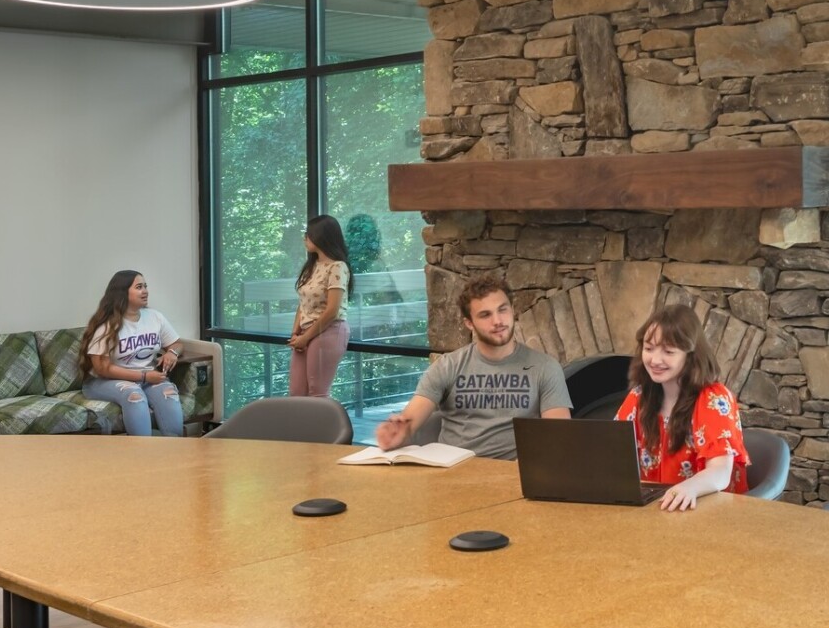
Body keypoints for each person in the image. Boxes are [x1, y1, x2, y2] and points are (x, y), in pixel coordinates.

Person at [375, 272, 570, 459]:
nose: (498, 321)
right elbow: (409, 422)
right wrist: (397, 433)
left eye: (503, 309)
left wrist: (532, 462)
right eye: (485, 315)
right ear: (469, 323)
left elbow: (558, 436)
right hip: (454, 472)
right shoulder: (447, 366)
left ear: (512, 310)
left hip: (512, 473)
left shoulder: (545, 367)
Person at [615, 304, 750, 511]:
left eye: (669, 351)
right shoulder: (639, 396)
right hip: (655, 511)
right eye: (648, 348)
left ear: (690, 355)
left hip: (710, 513)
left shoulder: (713, 398)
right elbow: (613, 450)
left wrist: (689, 488)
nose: (655, 360)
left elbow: (721, 472)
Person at [79, 270, 184, 437]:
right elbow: (102, 368)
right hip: (104, 381)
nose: (145, 291)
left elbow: (177, 343)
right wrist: (143, 377)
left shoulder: (155, 317)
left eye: (145, 286)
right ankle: (140, 456)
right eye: (139, 287)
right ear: (122, 292)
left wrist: (172, 352)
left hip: (147, 379)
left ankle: (175, 453)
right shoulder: (107, 325)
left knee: (169, 393)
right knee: (134, 396)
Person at [288, 214, 353, 399]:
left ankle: (324, 429)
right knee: (297, 392)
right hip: (305, 332)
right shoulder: (312, 265)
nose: (305, 238)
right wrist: (296, 334)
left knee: (317, 393)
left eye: (308, 234)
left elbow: (332, 310)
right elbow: (303, 303)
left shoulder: (337, 267)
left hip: (329, 331)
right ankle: (301, 429)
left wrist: (305, 337)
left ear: (321, 236)